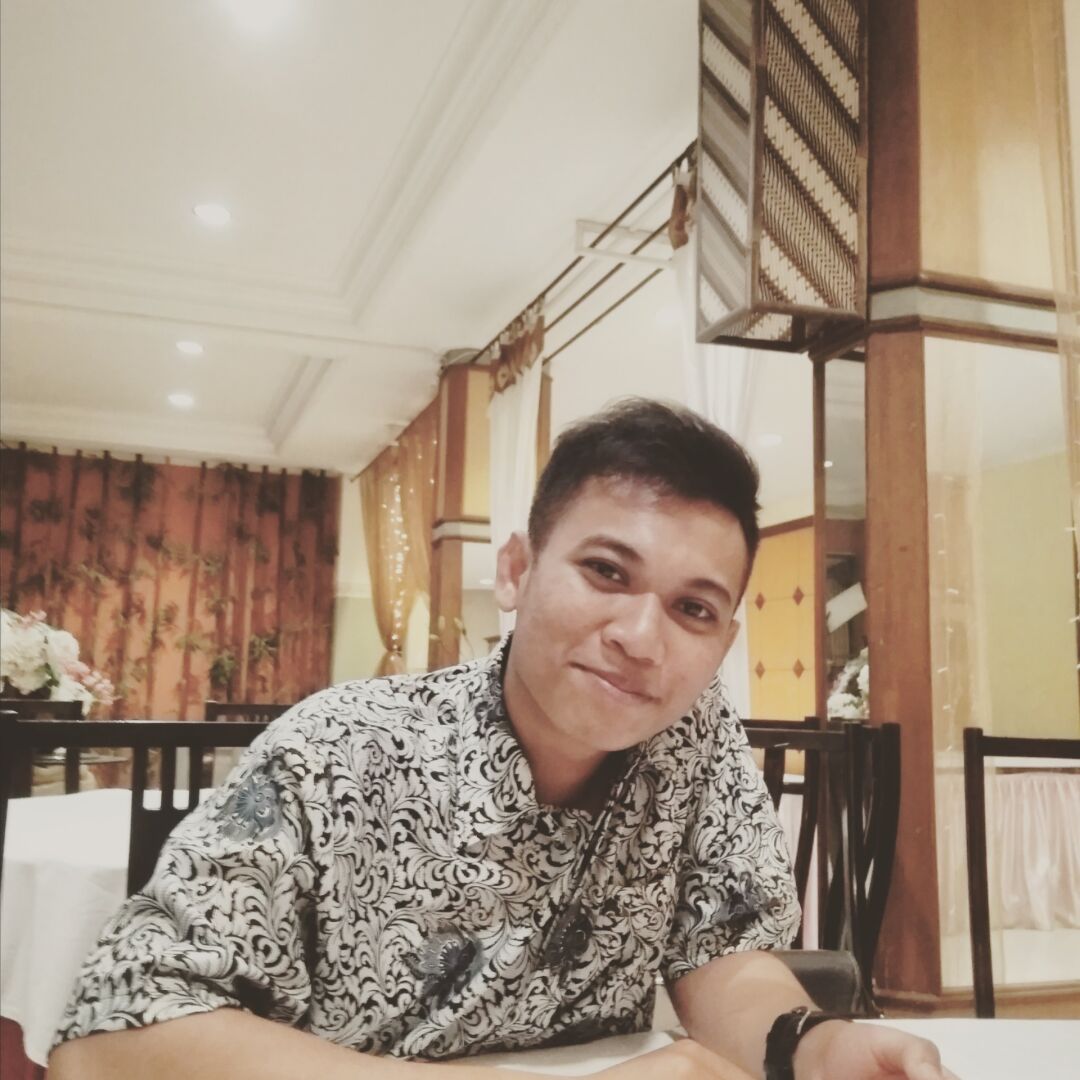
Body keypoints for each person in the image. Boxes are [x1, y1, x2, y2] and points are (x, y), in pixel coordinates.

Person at [49, 399, 953, 1080]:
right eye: (606, 571)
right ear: (517, 571)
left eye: (693, 608)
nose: (643, 637)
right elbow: (107, 1043)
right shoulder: (340, 749)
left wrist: (814, 1047)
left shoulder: (692, 736)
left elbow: (719, 950)